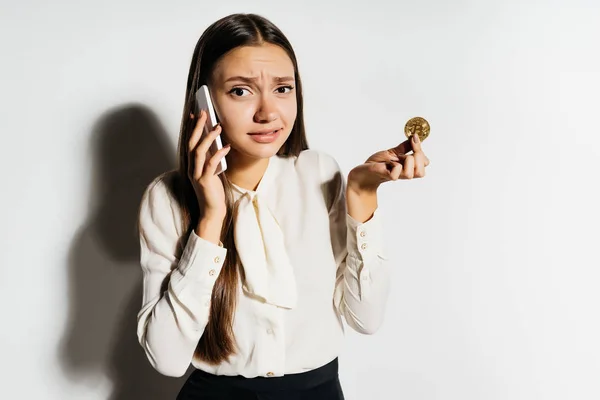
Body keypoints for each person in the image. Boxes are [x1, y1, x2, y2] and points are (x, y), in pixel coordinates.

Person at [136, 12, 430, 400]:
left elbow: (367, 319)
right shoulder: (166, 197)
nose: (268, 112)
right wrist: (210, 219)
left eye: (282, 89)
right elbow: (168, 359)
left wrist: (361, 194)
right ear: (204, 101)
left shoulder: (319, 173)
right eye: (241, 91)